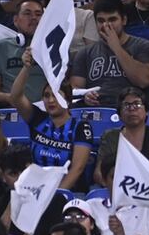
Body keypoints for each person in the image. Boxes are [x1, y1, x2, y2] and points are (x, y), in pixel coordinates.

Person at [9, 52, 92, 192]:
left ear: (68, 100)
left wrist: (54, 194)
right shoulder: (37, 118)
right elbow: (16, 97)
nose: (51, 100)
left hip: (67, 193)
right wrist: (26, 67)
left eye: (57, 95)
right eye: (47, 95)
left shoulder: (81, 127)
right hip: (35, 189)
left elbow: (77, 169)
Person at [71, 0, 149, 109]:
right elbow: (75, 88)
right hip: (96, 111)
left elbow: (144, 80)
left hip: (132, 111)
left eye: (112, 19)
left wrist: (116, 47)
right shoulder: (85, 53)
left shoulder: (143, 46)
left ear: (124, 20)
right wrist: (85, 95)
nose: (106, 25)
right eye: (101, 21)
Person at [94, 88, 149, 187]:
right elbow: (99, 174)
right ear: (119, 114)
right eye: (126, 105)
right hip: (118, 189)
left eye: (137, 104)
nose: (132, 109)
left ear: (147, 111)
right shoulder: (110, 136)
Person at [0, 0, 46, 107]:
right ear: (15, 20)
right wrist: (13, 98)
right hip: (12, 108)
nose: (33, 18)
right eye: (27, 13)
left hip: (46, 109)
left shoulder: (53, 48)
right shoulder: (0, 47)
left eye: (38, 14)